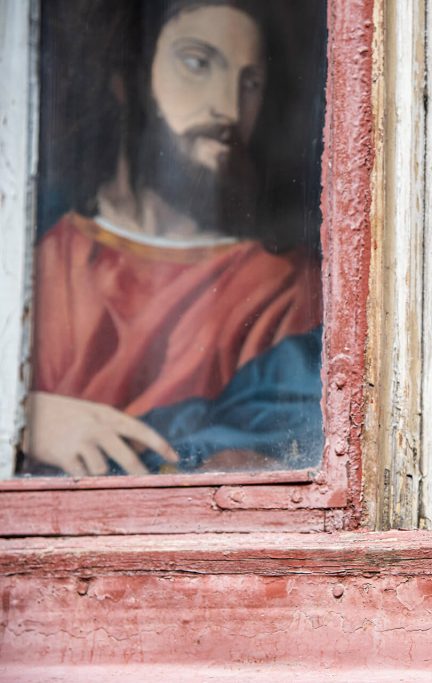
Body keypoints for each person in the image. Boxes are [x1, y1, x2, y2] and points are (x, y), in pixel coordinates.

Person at [21, 0, 323, 477]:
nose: (227, 108)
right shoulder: (30, 256)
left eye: (250, 83)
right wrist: (24, 417)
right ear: (129, 77)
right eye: (197, 63)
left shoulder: (291, 290)